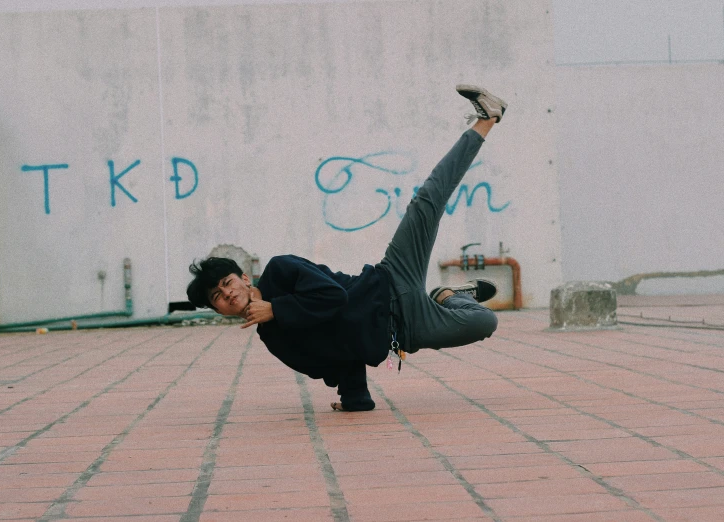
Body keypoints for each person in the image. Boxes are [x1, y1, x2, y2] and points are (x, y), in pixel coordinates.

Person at [187, 85, 506, 411]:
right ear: (219, 311)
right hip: (405, 330)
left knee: (426, 202)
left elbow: (334, 296)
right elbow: (333, 359)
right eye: (216, 297)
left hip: (390, 279)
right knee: (485, 324)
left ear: (243, 277)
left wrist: (276, 309)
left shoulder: (280, 271)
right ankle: (450, 297)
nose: (225, 294)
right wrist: (356, 399)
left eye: (226, 283)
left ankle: (486, 118)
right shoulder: (273, 338)